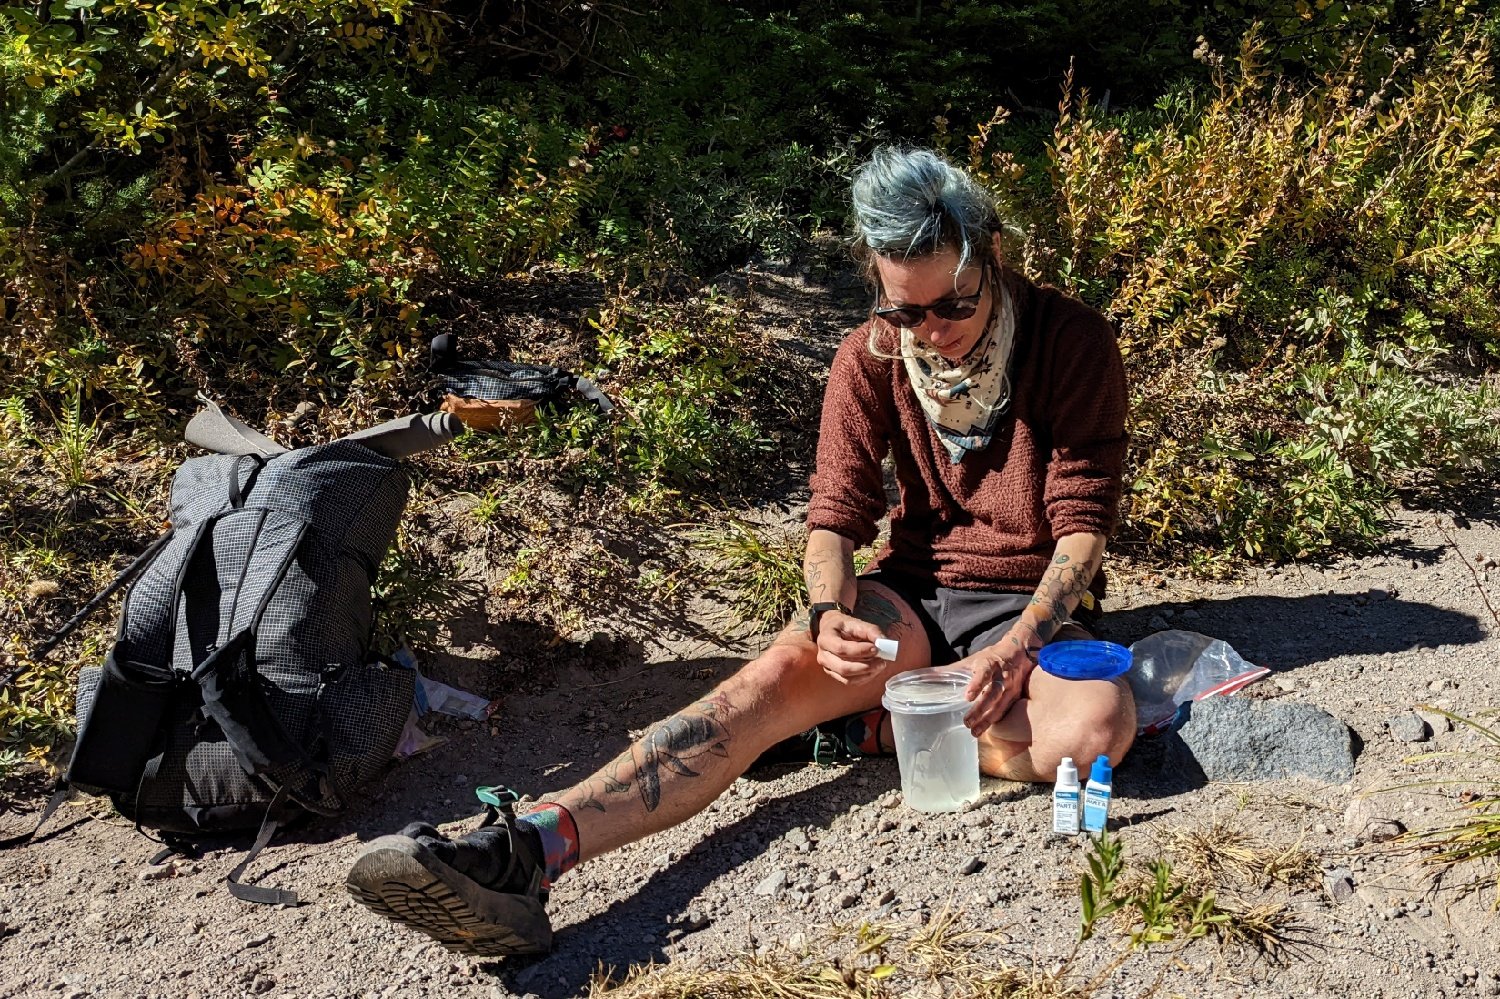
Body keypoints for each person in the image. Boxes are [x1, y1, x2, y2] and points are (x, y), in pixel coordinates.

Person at [345, 146, 1136, 956]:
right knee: (754, 692)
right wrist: (830, 611)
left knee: (1095, 728)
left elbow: (1081, 526)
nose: (930, 331)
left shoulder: (1069, 340)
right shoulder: (870, 356)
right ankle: (525, 848)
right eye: (904, 311)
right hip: (917, 595)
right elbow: (833, 518)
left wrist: (1012, 650)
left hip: (1027, 597)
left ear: (992, 255)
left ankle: (864, 728)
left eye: (953, 306)